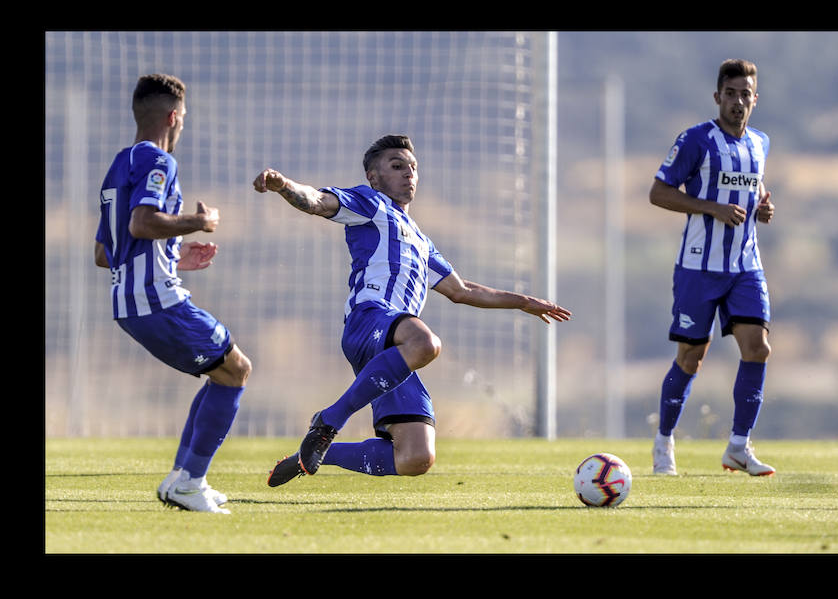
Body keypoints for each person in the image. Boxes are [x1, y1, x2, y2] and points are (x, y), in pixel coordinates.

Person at [253, 134, 571, 485]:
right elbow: (316, 200)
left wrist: (524, 302)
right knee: (426, 344)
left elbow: (462, 290)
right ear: (375, 177)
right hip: (370, 318)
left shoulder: (421, 241)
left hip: (394, 348)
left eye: (413, 167)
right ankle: (329, 421)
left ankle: (310, 454)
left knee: (416, 457)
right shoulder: (369, 201)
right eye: (397, 166)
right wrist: (284, 186)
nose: (409, 173)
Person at [94, 74, 252, 513]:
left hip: (128, 303)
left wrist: (175, 254)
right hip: (155, 300)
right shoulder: (160, 162)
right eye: (183, 120)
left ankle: (182, 480)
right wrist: (198, 222)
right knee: (236, 369)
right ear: (173, 116)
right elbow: (142, 224)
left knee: (224, 371)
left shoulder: (117, 165)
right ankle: (189, 480)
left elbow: (105, 253)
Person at [649, 59, 776, 477]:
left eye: (746, 94)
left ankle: (739, 445)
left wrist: (762, 206)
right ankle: (664, 442)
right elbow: (658, 193)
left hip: (745, 266)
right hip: (698, 268)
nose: (738, 101)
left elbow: (753, 187)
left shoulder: (760, 143)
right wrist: (711, 209)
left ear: (755, 100)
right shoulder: (696, 140)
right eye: (731, 93)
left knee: (757, 348)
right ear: (718, 96)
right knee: (690, 357)